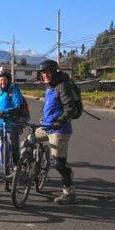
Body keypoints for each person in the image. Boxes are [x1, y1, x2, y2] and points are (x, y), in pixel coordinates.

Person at [34, 59, 78, 204]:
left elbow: (69, 109)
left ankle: (69, 192)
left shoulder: (62, 86)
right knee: (27, 141)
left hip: (60, 130)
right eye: (43, 73)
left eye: (47, 72)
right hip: (46, 127)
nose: (45, 75)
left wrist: (60, 121)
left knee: (59, 163)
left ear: (53, 72)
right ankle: (21, 171)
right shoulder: (50, 86)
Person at [0, 71, 24, 184]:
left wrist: (4, 112)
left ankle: (18, 173)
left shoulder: (14, 92)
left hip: (12, 124)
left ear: (9, 80)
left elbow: (19, 108)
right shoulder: (0, 92)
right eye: (1, 80)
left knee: (15, 148)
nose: (3, 82)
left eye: (5, 79)